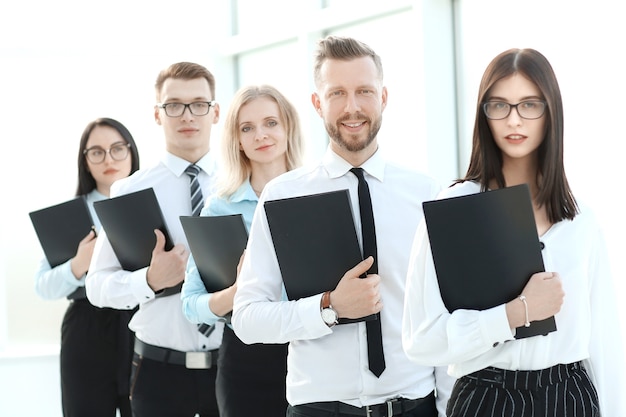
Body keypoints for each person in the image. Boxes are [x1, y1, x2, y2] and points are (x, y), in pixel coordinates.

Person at [232, 35, 454, 417]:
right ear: (318, 103)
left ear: (384, 97)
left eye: (364, 91)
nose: (352, 108)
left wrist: (451, 407)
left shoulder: (426, 193)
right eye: (337, 94)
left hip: (414, 406)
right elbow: (247, 319)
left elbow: (444, 313)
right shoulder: (283, 195)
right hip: (319, 409)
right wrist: (328, 307)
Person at [402, 48, 626, 417]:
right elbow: (421, 339)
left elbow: (605, 344)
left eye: (529, 105)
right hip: (485, 397)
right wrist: (514, 314)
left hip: (569, 397)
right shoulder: (454, 208)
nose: (514, 120)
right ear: (484, 114)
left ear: (550, 112)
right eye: (499, 105)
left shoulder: (581, 221)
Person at [86, 62, 222, 417]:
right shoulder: (130, 191)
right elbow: (96, 286)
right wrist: (149, 280)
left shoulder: (242, 185)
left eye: (199, 104)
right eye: (174, 105)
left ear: (216, 112)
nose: (187, 115)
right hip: (158, 375)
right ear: (158, 114)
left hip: (233, 371)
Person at [181, 84, 305, 416]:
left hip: (310, 352)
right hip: (245, 361)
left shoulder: (316, 196)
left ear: (288, 126)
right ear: (236, 139)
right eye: (246, 128)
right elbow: (190, 304)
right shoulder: (219, 208)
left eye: (270, 123)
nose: (260, 135)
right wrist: (236, 294)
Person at [34, 117, 140, 417]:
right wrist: (78, 265)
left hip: (141, 322)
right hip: (87, 330)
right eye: (97, 152)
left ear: (131, 151)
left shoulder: (151, 203)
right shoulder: (71, 214)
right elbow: (42, 285)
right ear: (85, 160)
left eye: (117, 148)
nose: (108, 159)